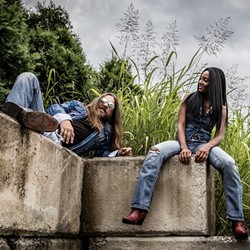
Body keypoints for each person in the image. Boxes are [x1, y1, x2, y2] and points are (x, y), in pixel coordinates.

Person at [122, 67, 248, 239]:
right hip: (182, 141)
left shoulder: (221, 108)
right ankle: (139, 210)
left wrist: (207, 146)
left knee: (229, 164)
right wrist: (183, 147)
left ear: (215, 85)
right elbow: (180, 125)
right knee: (155, 152)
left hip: (204, 143)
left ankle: (237, 222)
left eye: (205, 80)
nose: (200, 82)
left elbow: (219, 135)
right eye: (200, 78)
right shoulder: (189, 99)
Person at [2, 72, 132, 157]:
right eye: (103, 100)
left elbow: (101, 154)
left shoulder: (104, 133)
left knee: (38, 120)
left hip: (55, 140)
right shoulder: (78, 106)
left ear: (113, 112)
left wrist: (118, 153)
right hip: (47, 124)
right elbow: (54, 107)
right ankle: (14, 116)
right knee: (29, 78)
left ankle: (24, 116)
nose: (105, 104)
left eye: (110, 105)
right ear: (98, 101)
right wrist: (64, 120)